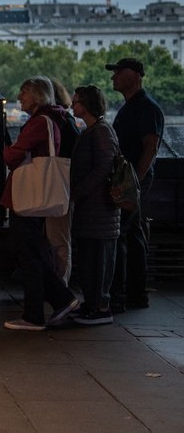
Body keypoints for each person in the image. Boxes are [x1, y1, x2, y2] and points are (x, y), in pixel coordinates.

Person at [1, 76, 79, 331]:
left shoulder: (38, 123)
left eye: (24, 93)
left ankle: (37, 313)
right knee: (33, 251)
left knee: (28, 252)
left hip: (28, 197)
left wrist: (5, 149)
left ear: (37, 95)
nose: (19, 98)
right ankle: (59, 300)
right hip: (39, 196)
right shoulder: (56, 118)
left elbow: (13, 157)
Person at [106, 58, 165, 312]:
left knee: (119, 234)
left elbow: (150, 149)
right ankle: (135, 294)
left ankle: (118, 296)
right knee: (134, 235)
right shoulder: (138, 107)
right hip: (133, 179)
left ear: (135, 75)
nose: (114, 76)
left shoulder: (144, 109)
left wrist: (134, 185)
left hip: (132, 181)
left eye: (119, 71)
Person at [69, 85, 120, 325]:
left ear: (87, 104)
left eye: (76, 101)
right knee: (91, 258)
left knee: (98, 259)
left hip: (99, 209)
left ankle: (100, 307)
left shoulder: (100, 131)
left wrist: (80, 191)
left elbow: (104, 166)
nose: (72, 105)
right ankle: (93, 304)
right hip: (93, 210)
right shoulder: (95, 130)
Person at [45, 78, 81, 285]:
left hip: (59, 188)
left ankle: (60, 289)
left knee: (58, 241)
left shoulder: (58, 122)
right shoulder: (67, 121)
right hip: (63, 187)